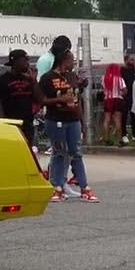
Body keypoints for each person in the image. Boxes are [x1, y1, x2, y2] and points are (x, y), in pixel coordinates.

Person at [40, 49, 99, 203]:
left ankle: (85, 187)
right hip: (55, 119)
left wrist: (81, 122)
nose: (73, 63)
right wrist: (60, 100)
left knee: (76, 153)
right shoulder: (48, 78)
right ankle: (57, 187)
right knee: (60, 152)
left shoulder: (72, 77)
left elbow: (76, 100)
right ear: (63, 60)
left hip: (72, 120)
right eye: (71, 60)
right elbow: (42, 100)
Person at [0, 49, 40, 150]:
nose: (28, 63)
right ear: (15, 62)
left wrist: (34, 81)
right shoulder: (1, 81)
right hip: (11, 123)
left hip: (27, 123)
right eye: (25, 60)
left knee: (27, 150)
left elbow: (38, 99)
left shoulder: (29, 79)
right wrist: (2, 119)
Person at [100, 63, 126, 146]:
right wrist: (122, 93)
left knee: (107, 120)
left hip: (107, 99)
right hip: (117, 99)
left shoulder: (104, 78)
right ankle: (119, 140)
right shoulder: (119, 79)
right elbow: (125, 90)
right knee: (118, 120)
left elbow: (103, 89)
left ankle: (106, 139)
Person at [121, 54, 135, 145]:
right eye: (131, 60)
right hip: (125, 97)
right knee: (124, 116)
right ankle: (124, 134)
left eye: (133, 60)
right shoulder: (122, 71)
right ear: (126, 61)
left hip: (134, 96)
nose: (133, 62)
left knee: (134, 116)